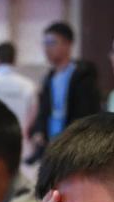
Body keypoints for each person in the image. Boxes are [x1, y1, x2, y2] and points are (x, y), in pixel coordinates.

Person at [28, 22, 100, 160]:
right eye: (45, 43)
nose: (47, 48)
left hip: (75, 146)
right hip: (50, 145)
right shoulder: (48, 78)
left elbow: (86, 111)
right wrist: (39, 131)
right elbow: (43, 111)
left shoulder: (82, 74)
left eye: (52, 43)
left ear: (67, 44)